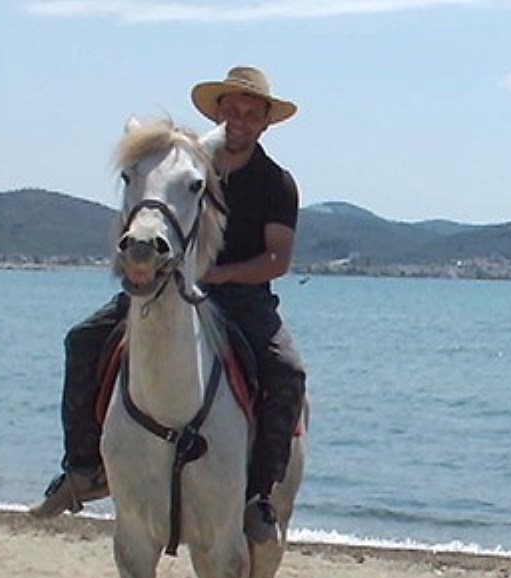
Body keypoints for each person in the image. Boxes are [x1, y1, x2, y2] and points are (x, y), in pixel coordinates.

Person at [30, 66, 307, 544]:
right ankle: (83, 467)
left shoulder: (276, 184)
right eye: (233, 110)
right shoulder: (183, 166)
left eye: (251, 113)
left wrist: (218, 274)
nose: (240, 120)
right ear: (220, 112)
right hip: (168, 284)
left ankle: (259, 496)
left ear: (266, 123)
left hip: (240, 299)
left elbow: (278, 260)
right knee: (83, 340)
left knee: (286, 372)